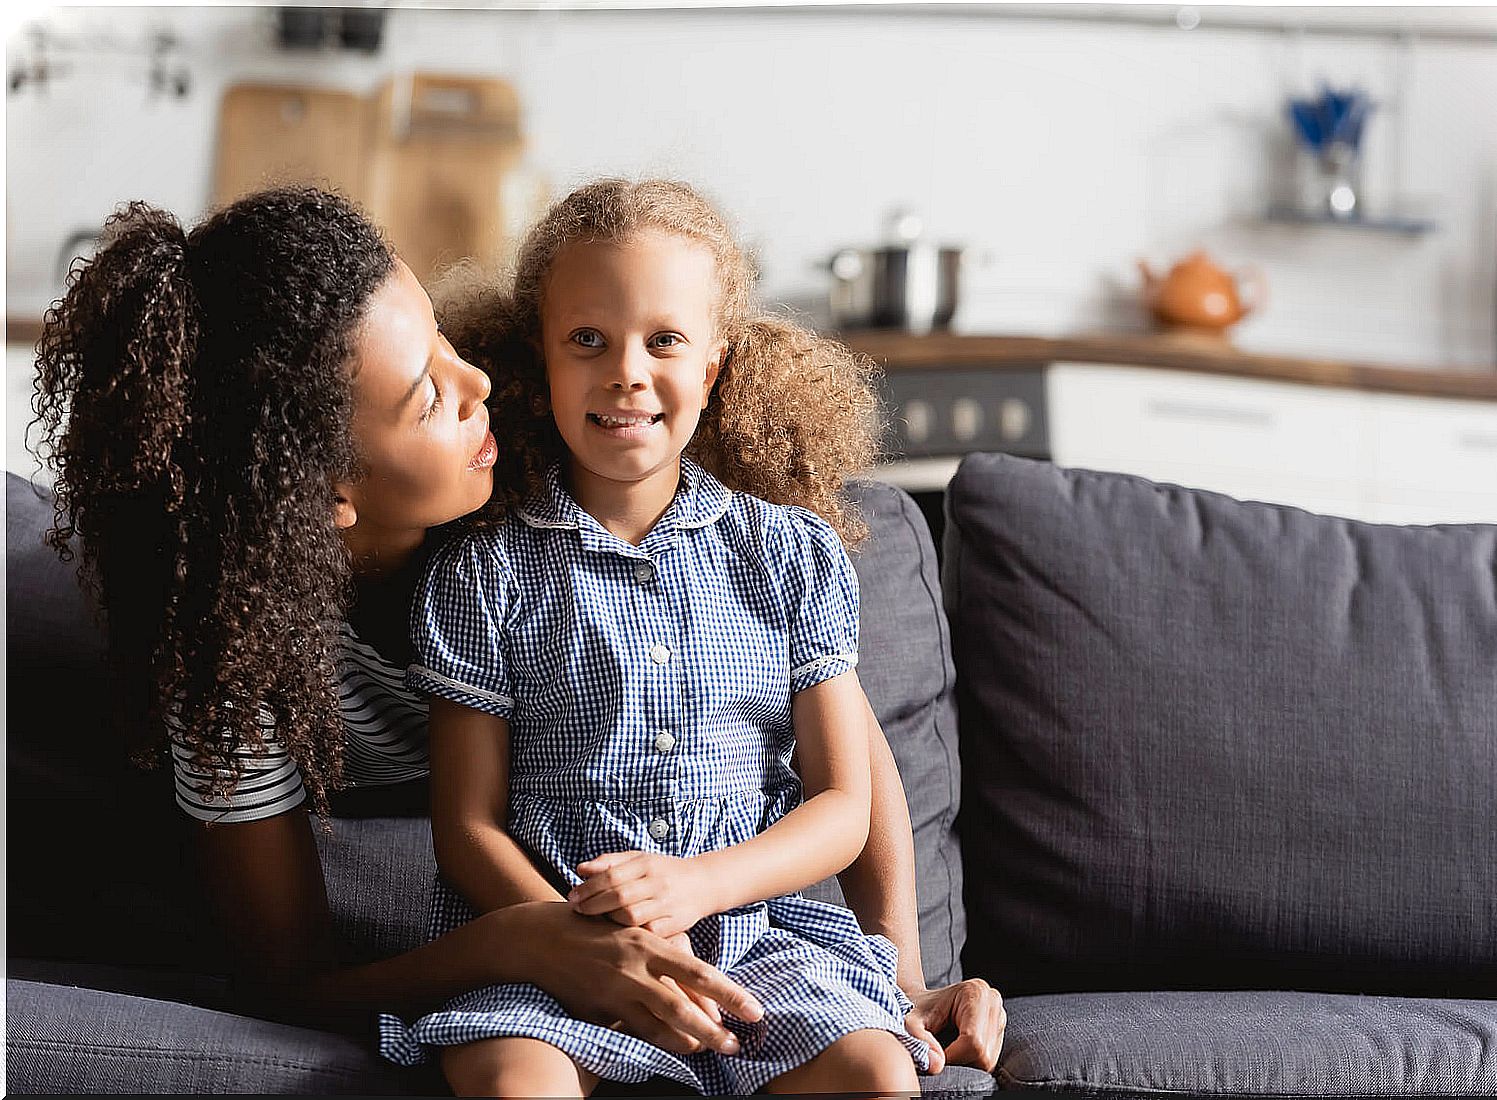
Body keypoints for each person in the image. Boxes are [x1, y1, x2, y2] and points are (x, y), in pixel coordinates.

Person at [31, 184, 1005, 1078]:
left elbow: (831, 730)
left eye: (447, 346)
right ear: (324, 490)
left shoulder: (569, 458)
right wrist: (522, 938)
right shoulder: (236, 669)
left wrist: (902, 973)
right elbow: (286, 978)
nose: (481, 384)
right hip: (520, 898)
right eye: (429, 396)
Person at [376, 178, 977, 1097]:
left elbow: (844, 808)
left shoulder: (790, 556)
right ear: (541, 360)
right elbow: (466, 827)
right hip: (551, 954)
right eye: (588, 339)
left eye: (664, 340)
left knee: (877, 1078)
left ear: (714, 365)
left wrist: (698, 888)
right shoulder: (481, 574)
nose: (625, 370)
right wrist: (582, 945)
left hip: (752, 948)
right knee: (512, 1085)